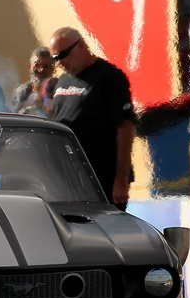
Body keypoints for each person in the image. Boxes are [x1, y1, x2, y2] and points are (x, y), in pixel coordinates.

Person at [47, 27, 135, 209]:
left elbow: (125, 128)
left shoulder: (109, 77)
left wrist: (121, 179)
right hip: (69, 178)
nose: (60, 62)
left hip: (101, 177)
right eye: (55, 58)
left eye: (63, 55)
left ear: (81, 46)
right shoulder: (63, 81)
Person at [11, 47, 57, 117]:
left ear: (53, 69)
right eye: (37, 65)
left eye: (46, 66)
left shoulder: (59, 91)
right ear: (29, 66)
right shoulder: (20, 92)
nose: (41, 70)